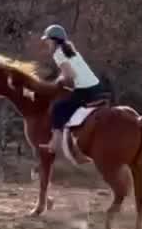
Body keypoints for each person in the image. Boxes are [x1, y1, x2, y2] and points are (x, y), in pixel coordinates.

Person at [36, 24, 108, 154]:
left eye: (47, 40)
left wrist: (58, 82)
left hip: (85, 91)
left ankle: (55, 143)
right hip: (97, 87)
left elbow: (70, 75)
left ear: (54, 40)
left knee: (58, 108)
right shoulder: (70, 50)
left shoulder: (58, 53)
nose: (46, 43)